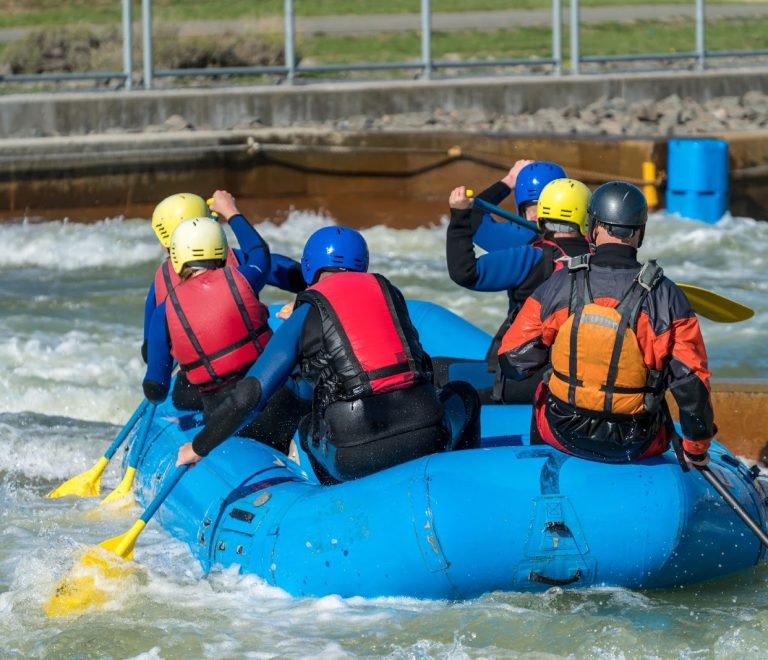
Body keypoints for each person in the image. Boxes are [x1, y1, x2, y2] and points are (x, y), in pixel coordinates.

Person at [176, 226, 481, 483]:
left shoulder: (306, 312)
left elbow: (251, 395)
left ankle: (337, 500)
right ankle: (453, 484)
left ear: (309, 266)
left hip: (354, 450)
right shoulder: (388, 292)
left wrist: (200, 446)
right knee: (464, 394)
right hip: (425, 432)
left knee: (308, 426)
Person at [498, 181, 714, 467]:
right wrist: (696, 450)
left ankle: (544, 475)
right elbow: (692, 386)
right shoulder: (667, 296)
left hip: (562, 431)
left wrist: (565, 350)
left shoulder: (562, 282)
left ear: (593, 228)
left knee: (544, 389)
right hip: (637, 441)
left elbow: (512, 361)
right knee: (657, 386)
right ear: (641, 233)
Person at [143, 190, 305, 409]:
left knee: (182, 394)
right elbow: (296, 275)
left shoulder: (160, 287)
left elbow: (149, 353)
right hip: (263, 376)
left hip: (203, 392)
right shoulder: (240, 264)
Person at [446, 173, 591, 403]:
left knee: (439, 373)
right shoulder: (603, 260)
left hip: (526, 380)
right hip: (583, 376)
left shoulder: (532, 256)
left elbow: (464, 272)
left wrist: (459, 216)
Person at [143, 216, 273, 423]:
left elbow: (155, 390)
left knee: (183, 394)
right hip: (273, 393)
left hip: (223, 416)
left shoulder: (164, 312)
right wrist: (232, 213)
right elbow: (260, 254)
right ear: (222, 250)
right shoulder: (243, 278)